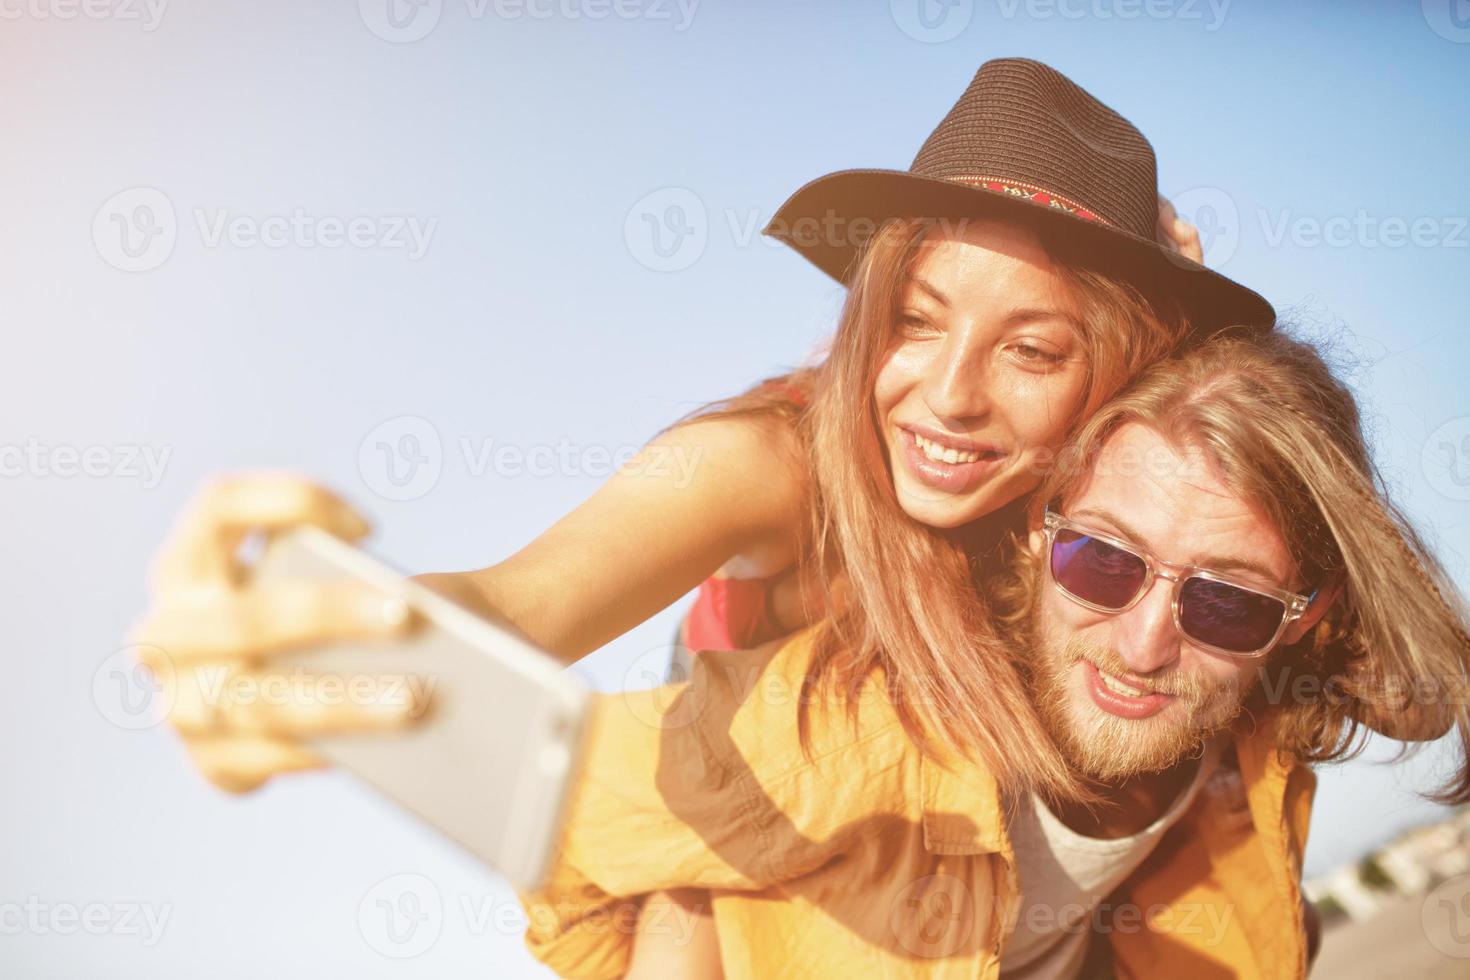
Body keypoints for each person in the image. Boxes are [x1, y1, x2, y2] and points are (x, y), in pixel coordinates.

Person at [131, 58, 1267, 803]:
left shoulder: (1126, 507)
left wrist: (1199, 341)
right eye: (915, 322)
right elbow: (527, 599)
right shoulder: (773, 461)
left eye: (1032, 350)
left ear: (1116, 373)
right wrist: (332, 643)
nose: (949, 394)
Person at [518, 328, 1470, 980]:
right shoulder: (857, 726)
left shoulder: (1262, 725)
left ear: (1304, 615)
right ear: (1031, 533)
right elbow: (562, 831)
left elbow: (1419, 692)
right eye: (1101, 561)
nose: (1144, 646)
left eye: (1225, 603)